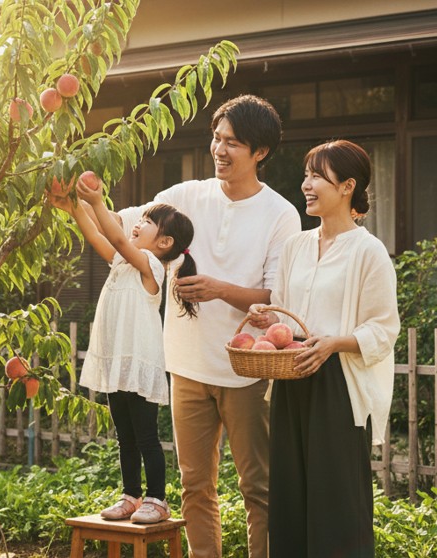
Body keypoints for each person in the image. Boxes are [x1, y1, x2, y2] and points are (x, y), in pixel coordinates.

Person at [110, 95, 302, 557]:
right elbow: (125, 226)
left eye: (232, 142)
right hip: (187, 364)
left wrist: (219, 288)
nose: (219, 149)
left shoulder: (281, 215)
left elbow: (279, 298)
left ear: (260, 152)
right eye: (216, 138)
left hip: (246, 370)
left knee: (258, 487)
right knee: (195, 486)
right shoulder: (183, 197)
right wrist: (88, 203)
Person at [248, 139, 400, 558]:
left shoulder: (369, 252)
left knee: (337, 502)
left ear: (348, 186)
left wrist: (336, 342)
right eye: (307, 175)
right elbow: (287, 317)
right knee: (289, 495)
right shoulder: (296, 246)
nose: (307, 185)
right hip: (291, 375)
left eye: (317, 176)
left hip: (338, 383)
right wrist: (269, 320)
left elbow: (385, 328)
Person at [67, 173, 199, 524]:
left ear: (165, 242)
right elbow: (97, 236)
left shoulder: (151, 266)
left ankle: (157, 499)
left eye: (148, 222)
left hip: (139, 365)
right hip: (118, 362)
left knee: (146, 437)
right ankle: (131, 496)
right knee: (124, 437)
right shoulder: (124, 262)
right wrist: (74, 207)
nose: (138, 223)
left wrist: (96, 203)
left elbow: (114, 235)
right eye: (140, 219)